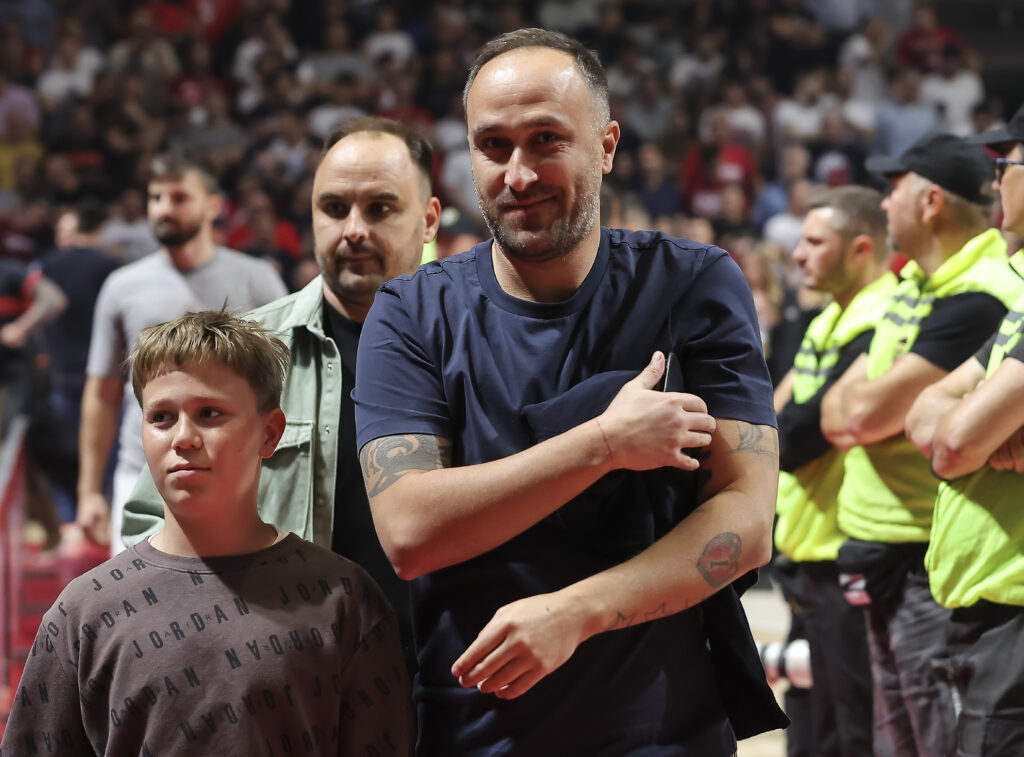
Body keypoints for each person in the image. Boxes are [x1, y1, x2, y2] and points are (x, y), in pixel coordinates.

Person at [353, 29, 786, 756]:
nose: (517, 174)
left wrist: (577, 612)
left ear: (607, 145)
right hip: (475, 733)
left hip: (666, 729)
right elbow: (409, 532)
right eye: (492, 146)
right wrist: (604, 444)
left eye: (546, 140)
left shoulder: (694, 283)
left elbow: (745, 524)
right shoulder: (410, 311)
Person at [0, 310, 412, 756]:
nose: (183, 437)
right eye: (161, 417)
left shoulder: (343, 600)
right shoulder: (85, 613)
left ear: (270, 433)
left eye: (209, 413)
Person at [122, 117, 442, 669]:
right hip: (291, 685)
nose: (354, 230)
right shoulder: (244, 355)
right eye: (334, 208)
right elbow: (148, 525)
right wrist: (218, 640)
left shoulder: (471, 349)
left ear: (429, 218)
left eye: (381, 208)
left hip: (448, 677)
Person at [821, 132, 1024, 757]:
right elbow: (844, 412)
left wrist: (955, 424)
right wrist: (964, 425)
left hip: (941, 567)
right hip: (935, 565)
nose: (883, 204)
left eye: (894, 188)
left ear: (932, 200)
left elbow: (932, 432)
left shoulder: (983, 291)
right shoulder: (910, 286)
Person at [76, 152, 287, 554]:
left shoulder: (257, 280)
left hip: (239, 480)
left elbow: (285, 385)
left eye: (178, 198)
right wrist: (89, 491)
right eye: (156, 198)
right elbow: (102, 393)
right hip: (139, 474)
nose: (164, 209)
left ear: (213, 205)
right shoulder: (122, 287)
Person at [903, 102, 1024, 757]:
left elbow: (947, 442)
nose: (995, 182)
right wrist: (982, 421)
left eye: (1003, 163)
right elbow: (926, 413)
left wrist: (971, 424)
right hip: (986, 610)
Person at [773, 186, 896, 757]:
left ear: (862, 248)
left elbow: (795, 437)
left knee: (854, 731)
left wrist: (778, 431)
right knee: (808, 725)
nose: (799, 254)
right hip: (807, 551)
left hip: (846, 551)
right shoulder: (827, 318)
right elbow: (776, 418)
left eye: (815, 241)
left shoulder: (886, 315)